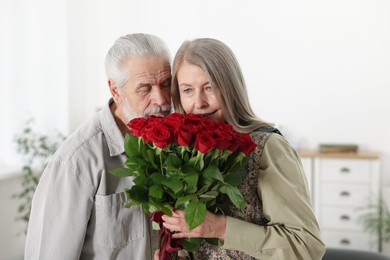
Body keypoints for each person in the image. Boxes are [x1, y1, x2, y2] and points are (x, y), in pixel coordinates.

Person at [157, 38, 326, 259]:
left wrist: (221, 228)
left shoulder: (267, 147)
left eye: (209, 87)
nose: (199, 103)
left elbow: (305, 247)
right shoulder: (183, 153)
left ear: (231, 88)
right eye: (188, 90)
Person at [25, 33, 172, 260]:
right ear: (115, 90)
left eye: (166, 84)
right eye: (145, 88)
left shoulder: (176, 144)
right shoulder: (75, 162)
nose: (161, 99)